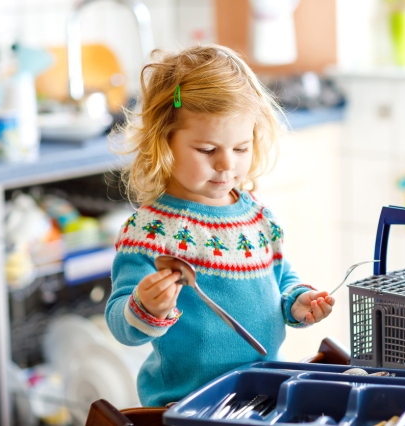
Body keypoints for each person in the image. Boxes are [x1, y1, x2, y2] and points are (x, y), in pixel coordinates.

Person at [105, 44, 335, 407]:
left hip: (262, 396)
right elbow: (121, 325)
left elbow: (280, 278)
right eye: (208, 150)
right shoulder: (149, 231)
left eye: (241, 149)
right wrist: (145, 307)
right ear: (165, 141)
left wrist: (296, 301)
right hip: (186, 404)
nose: (226, 165)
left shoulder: (258, 217)